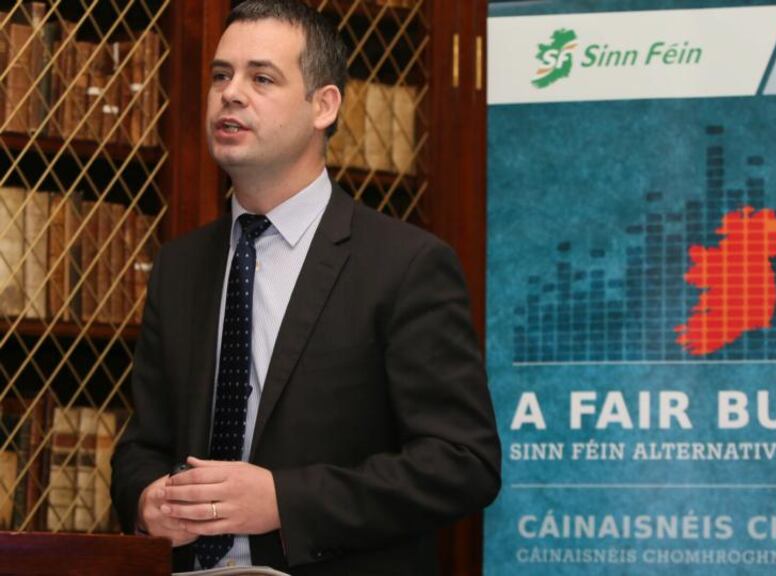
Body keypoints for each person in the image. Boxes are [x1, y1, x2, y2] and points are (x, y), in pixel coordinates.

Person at [110, 1, 501, 574]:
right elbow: (141, 447)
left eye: (261, 77)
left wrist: (284, 502)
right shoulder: (180, 265)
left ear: (324, 105)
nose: (230, 94)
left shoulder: (405, 265)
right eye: (221, 75)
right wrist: (146, 501)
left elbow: (462, 463)